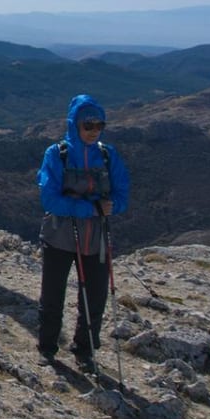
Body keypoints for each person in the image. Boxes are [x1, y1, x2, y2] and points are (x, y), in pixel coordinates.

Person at [36, 94, 130, 370]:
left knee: (95, 296)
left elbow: (122, 193)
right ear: (74, 124)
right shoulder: (57, 155)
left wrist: (114, 206)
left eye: (99, 125)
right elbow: (48, 199)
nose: (93, 131)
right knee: (53, 294)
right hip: (60, 236)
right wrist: (90, 208)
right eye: (87, 125)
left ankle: (85, 349)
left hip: (96, 239)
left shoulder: (107, 155)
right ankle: (47, 346)